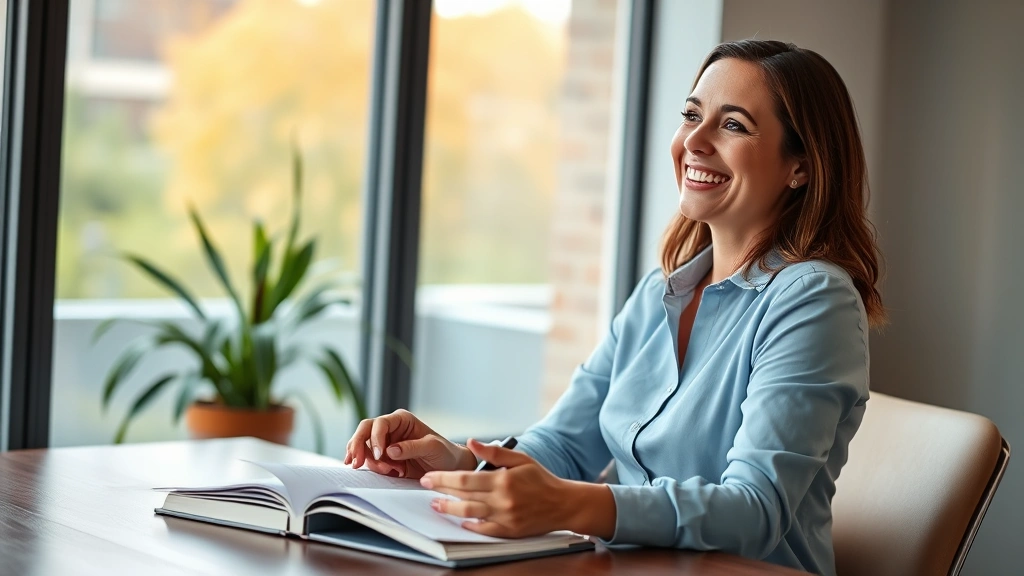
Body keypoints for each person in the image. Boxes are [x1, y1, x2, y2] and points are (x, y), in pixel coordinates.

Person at [344, 39, 884, 576]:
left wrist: (573, 504)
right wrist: (461, 462)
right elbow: (563, 444)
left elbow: (754, 509)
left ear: (802, 167)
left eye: (733, 125)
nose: (694, 140)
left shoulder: (814, 300)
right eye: (691, 115)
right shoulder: (659, 294)